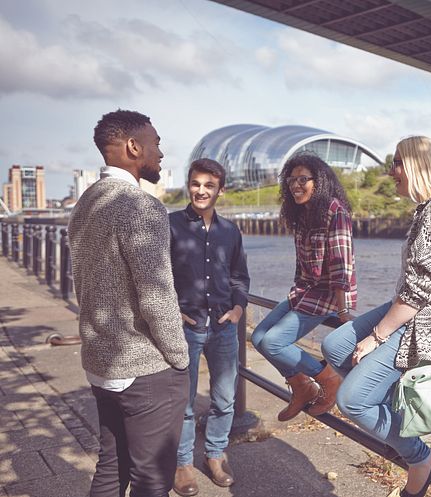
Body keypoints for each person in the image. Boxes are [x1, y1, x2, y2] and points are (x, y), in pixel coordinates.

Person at [321, 136, 431, 497]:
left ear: (417, 165)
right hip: (417, 306)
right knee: (335, 345)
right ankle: (398, 423)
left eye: (397, 163)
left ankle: (420, 456)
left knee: (352, 400)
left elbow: (418, 294)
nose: (391, 171)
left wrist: (376, 337)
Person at [68, 109, 189, 497]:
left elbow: (82, 282)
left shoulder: (87, 202)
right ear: (133, 147)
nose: (161, 153)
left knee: (111, 465)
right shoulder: (141, 206)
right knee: (152, 480)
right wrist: (180, 357)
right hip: (145, 369)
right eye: (156, 143)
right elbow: (156, 296)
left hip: (102, 362)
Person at [251, 153, 356, 421]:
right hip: (304, 290)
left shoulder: (335, 211)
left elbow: (341, 264)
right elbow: (301, 264)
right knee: (259, 337)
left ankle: (329, 379)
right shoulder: (301, 214)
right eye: (291, 180)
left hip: (328, 295)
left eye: (303, 180)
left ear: (318, 182)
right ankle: (301, 386)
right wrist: (295, 294)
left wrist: (343, 312)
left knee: (274, 342)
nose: (296, 185)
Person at [169, 159, 251, 496]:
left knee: (224, 398)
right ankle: (183, 463)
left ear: (220, 190)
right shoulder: (169, 224)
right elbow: (155, 276)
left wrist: (237, 308)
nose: (201, 190)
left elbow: (239, 276)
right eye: (196, 183)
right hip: (184, 326)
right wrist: (172, 310)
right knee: (184, 403)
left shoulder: (230, 231)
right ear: (188, 185)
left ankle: (215, 455)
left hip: (222, 328)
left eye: (209, 185)